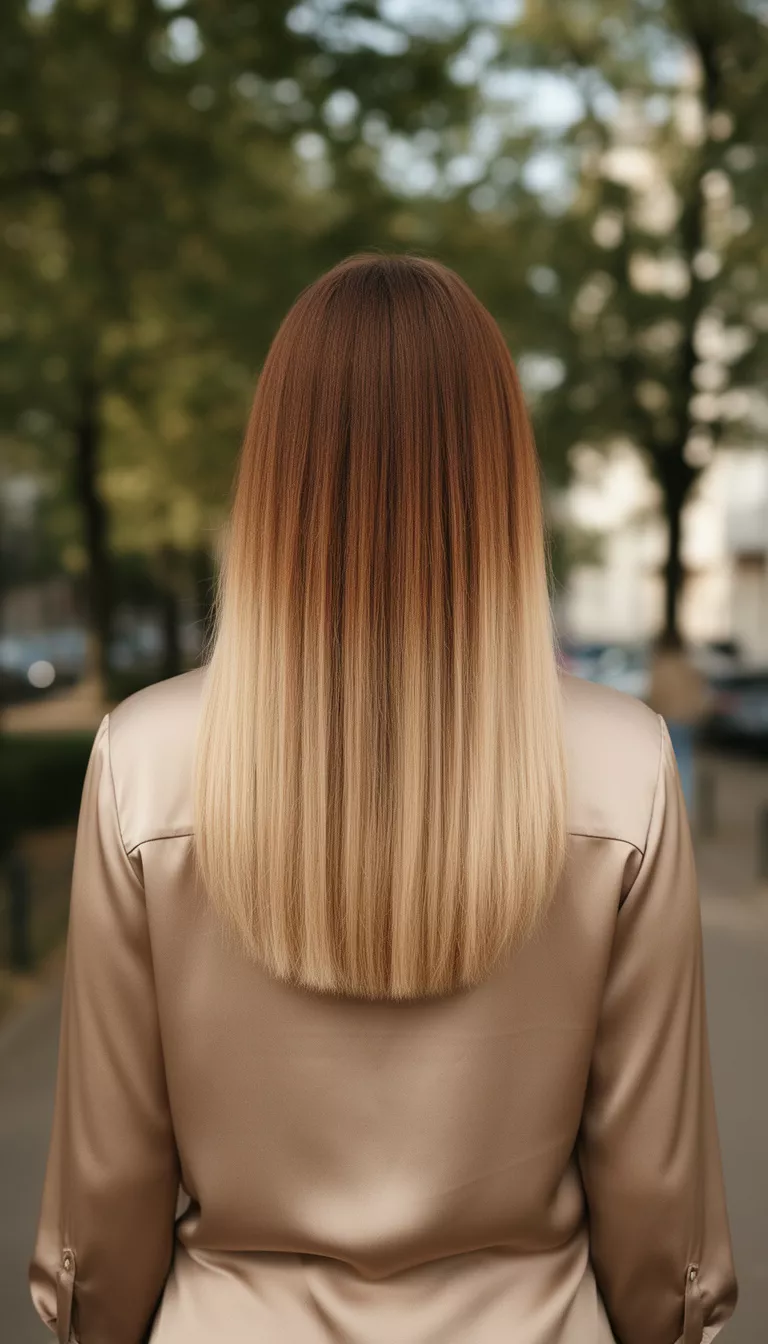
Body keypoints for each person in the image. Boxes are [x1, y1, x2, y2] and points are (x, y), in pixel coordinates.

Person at [29, 254, 737, 1344]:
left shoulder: (145, 761)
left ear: (277, 470)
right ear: (500, 471)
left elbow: (110, 1183)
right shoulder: (623, 767)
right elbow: (655, 1203)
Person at [646, 633, 712, 823]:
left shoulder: (660, 668)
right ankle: (684, 812)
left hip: (667, 722)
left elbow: (654, 696)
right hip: (687, 722)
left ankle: (668, 815)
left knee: (665, 769)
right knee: (685, 767)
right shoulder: (689, 668)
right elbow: (701, 698)